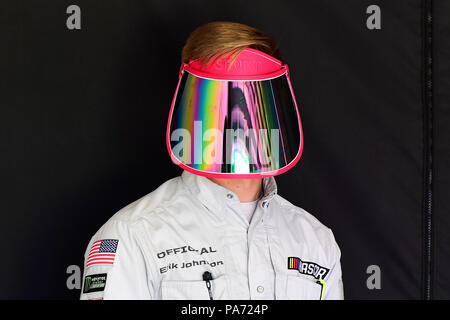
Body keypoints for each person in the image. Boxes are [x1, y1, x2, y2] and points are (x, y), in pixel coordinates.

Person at [80, 21, 344, 300]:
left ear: (276, 110)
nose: (239, 123)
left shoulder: (315, 240)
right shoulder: (131, 236)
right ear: (192, 111)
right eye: (221, 107)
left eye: (253, 106)